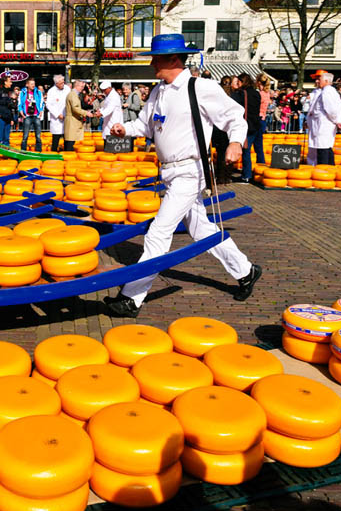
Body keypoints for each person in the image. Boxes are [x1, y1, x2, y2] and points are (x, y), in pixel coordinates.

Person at [104, 34, 261, 317]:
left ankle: (131, 297)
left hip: (190, 170)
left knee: (159, 232)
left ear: (174, 59)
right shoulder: (157, 92)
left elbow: (234, 116)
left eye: (156, 58)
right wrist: (124, 129)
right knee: (201, 229)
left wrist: (236, 142)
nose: (151, 63)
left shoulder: (200, 87)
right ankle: (246, 271)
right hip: (169, 171)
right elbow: (145, 125)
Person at [306, 71, 341, 165]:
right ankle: (329, 167)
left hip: (324, 124)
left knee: (323, 148)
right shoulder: (326, 91)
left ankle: (324, 169)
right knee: (325, 147)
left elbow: (331, 109)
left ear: (326, 80)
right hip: (321, 124)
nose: (318, 81)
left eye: (320, 79)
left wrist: (336, 120)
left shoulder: (327, 92)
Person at [230, 73, 261, 183]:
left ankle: (247, 175)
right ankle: (256, 173)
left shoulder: (241, 94)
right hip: (255, 124)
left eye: (238, 82)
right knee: (257, 149)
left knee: (246, 150)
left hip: (246, 124)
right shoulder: (256, 93)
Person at [64, 79, 92, 151]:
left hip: (73, 120)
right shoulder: (73, 95)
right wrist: (86, 113)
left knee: (70, 140)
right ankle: (68, 158)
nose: (82, 88)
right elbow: (75, 108)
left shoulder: (74, 94)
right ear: (76, 86)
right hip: (72, 121)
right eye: (81, 86)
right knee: (70, 141)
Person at [18, 78, 44, 152]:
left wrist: (41, 111)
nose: (33, 85)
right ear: (27, 85)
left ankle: (38, 150)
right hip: (27, 116)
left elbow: (42, 102)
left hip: (36, 115)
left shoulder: (38, 92)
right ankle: (23, 151)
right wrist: (22, 114)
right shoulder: (23, 92)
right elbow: (19, 103)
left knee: (38, 136)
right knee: (25, 136)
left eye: (34, 84)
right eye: (31, 84)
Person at [46, 75, 71, 152]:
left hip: (66, 116)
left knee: (67, 138)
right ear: (56, 83)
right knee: (56, 139)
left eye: (63, 82)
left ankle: (66, 153)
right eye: (60, 83)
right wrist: (57, 114)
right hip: (56, 119)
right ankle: (54, 153)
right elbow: (48, 105)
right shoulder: (51, 91)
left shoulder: (67, 89)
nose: (63, 84)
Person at [0, 77, 15, 147]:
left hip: (8, 118)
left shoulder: (10, 92)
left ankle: (7, 152)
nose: (11, 83)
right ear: (5, 82)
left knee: (6, 139)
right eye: (10, 81)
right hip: (1, 117)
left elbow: (10, 108)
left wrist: (12, 119)